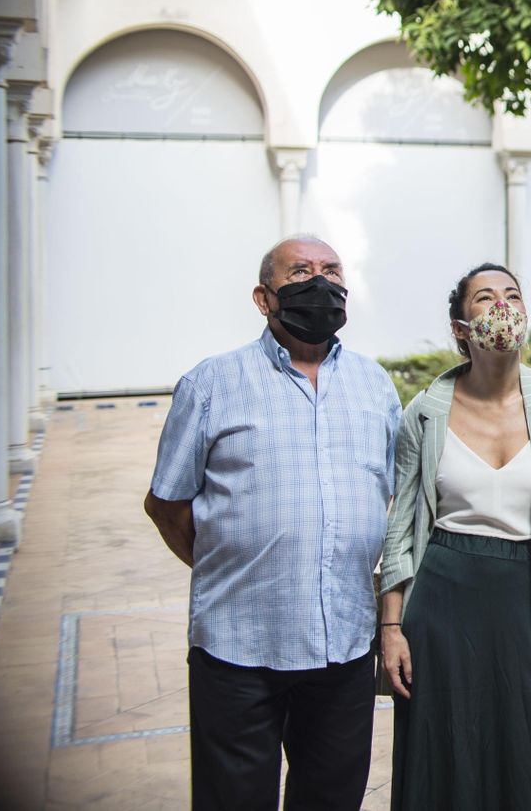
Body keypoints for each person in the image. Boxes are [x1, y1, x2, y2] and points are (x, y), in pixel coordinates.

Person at [144, 236, 401, 810]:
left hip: (344, 646)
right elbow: (166, 502)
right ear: (263, 298)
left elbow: (391, 495)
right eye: (300, 271)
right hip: (239, 645)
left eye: (331, 271)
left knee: (331, 798)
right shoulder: (210, 384)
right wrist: (229, 564)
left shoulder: (374, 385)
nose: (320, 282)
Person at [378, 262, 531, 810]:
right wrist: (391, 627)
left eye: (512, 295)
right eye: (485, 298)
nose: (502, 306)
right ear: (461, 327)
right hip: (443, 604)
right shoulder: (426, 413)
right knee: (457, 756)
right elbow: (400, 528)